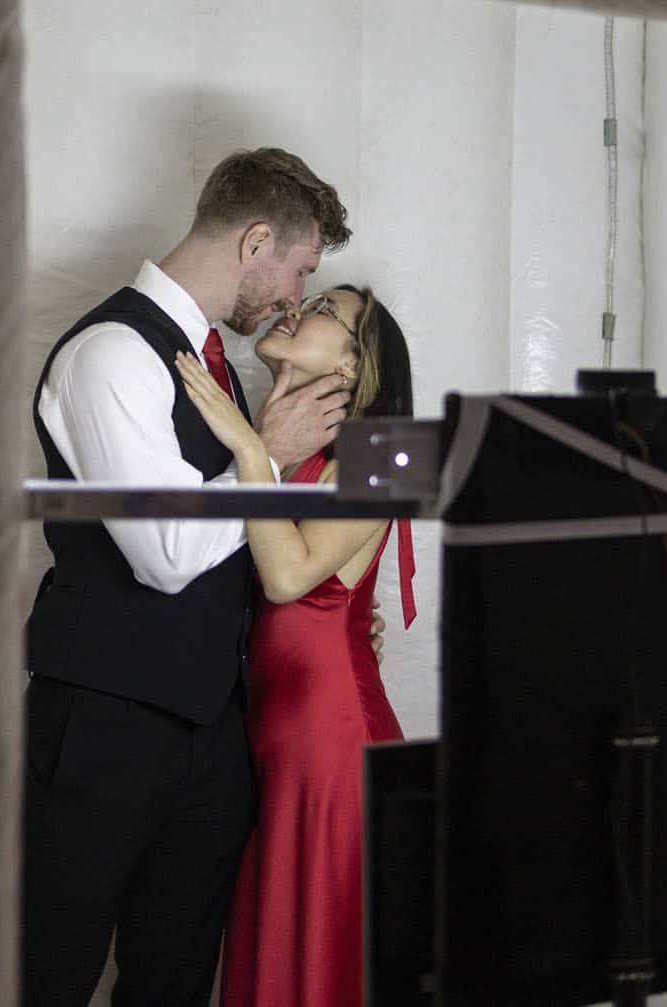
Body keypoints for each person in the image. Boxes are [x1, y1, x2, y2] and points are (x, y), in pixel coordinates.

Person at [23, 148, 368, 1007]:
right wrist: (268, 453)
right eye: (299, 271)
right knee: (47, 973)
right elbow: (166, 554)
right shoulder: (112, 351)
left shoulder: (219, 366)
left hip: (214, 736)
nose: (293, 295)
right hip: (106, 726)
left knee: (172, 983)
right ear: (256, 242)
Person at [176, 285, 416, 1006]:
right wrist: (266, 440)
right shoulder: (294, 452)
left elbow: (284, 577)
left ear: (351, 365)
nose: (297, 309)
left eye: (324, 310)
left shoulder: (384, 457)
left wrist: (252, 447)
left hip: (333, 748)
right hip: (274, 746)